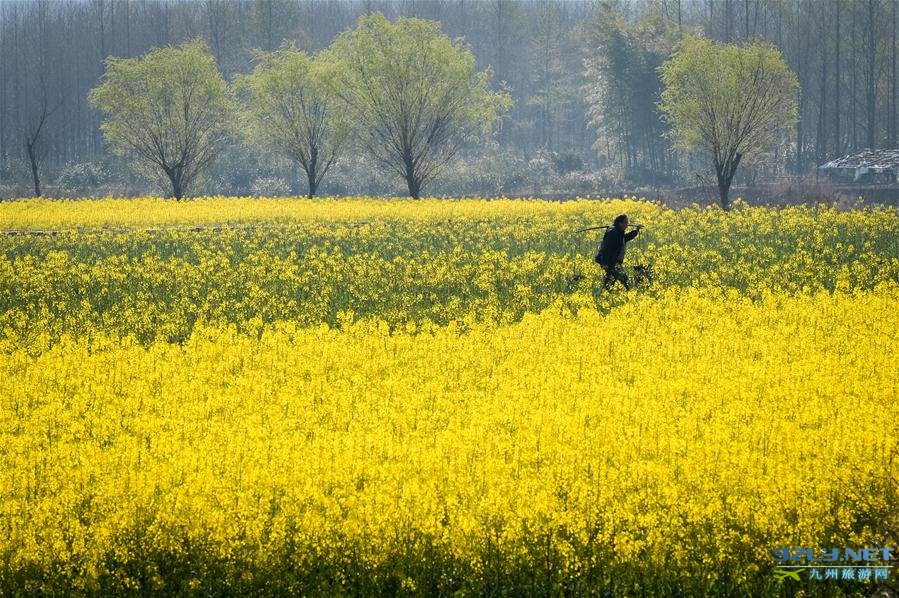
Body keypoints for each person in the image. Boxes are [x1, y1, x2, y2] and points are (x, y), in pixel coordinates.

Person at [596, 214, 642, 290]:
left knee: (610, 283)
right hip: (611, 262)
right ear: (620, 223)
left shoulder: (619, 233)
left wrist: (636, 231)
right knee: (625, 281)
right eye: (625, 222)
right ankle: (628, 294)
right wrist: (605, 263)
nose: (627, 225)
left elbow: (624, 239)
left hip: (614, 262)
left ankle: (604, 295)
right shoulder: (613, 233)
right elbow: (606, 248)